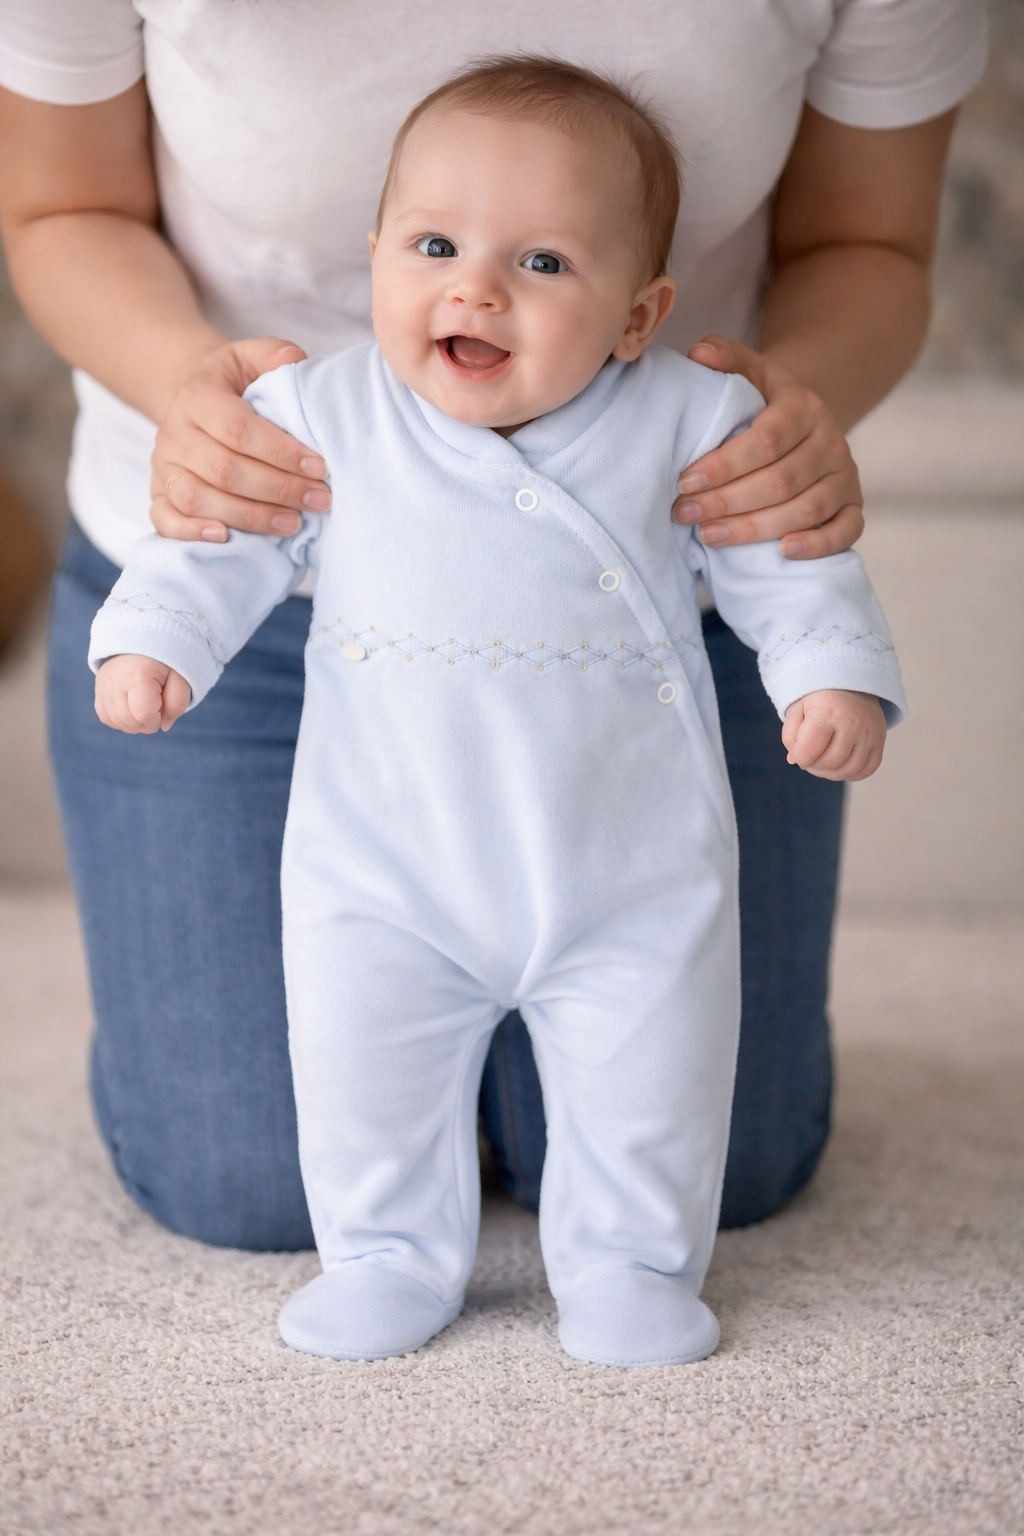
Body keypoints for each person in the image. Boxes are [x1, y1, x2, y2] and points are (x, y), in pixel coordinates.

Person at [0, 1, 983, 1250]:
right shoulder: (312, 422)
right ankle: (419, 1106)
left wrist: (821, 647)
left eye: (543, 263)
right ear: (373, 254)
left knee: (719, 1164)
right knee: (254, 1178)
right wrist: (156, 641)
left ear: (641, 315)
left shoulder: (690, 424)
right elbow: (205, 555)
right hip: (319, 688)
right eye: (431, 247)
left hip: (629, 728)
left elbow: (799, 553)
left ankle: (553, 1142)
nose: (473, 288)